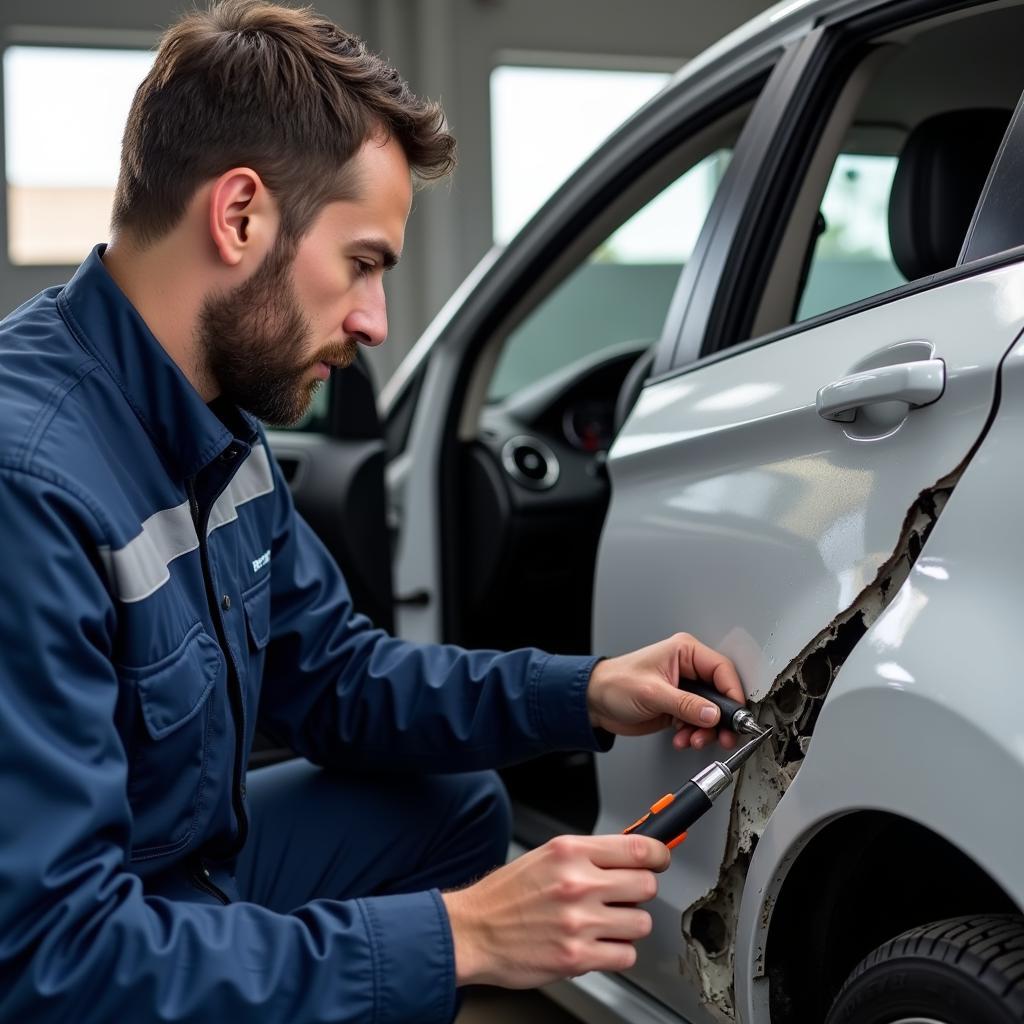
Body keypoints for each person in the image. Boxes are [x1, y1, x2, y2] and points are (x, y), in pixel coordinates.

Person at [0, 2, 745, 1021]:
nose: (374, 321)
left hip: (178, 871)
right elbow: (52, 960)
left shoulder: (218, 427)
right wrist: (465, 934)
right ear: (241, 217)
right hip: (87, 935)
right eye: (362, 263)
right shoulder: (29, 486)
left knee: (452, 804)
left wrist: (583, 691)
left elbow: (341, 677)